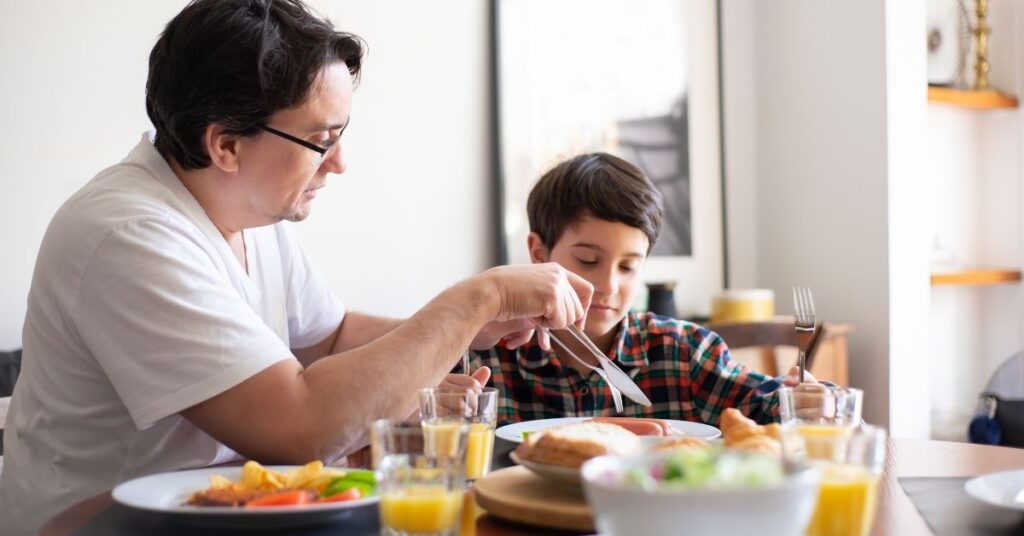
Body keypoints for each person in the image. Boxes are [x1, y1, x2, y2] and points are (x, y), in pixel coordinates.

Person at [0, 1, 592, 533]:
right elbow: (299, 425)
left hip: (221, 516)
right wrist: (478, 299)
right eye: (321, 139)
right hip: (100, 525)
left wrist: (465, 333)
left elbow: (329, 339)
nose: (339, 163)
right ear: (225, 145)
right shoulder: (129, 234)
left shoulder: (244, 210)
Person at [448, 152, 821, 426]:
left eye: (628, 266)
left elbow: (767, 404)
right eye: (588, 261)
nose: (608, 285)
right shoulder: (485, 355)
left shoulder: (683, 352)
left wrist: (808, 402)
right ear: (539, 252)